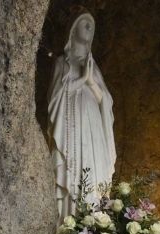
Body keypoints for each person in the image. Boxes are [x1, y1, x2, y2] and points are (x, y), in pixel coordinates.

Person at [47, 12, 115, 216]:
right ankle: (70, 223)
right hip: (71, 128)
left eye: (92, 25)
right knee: (73, 169)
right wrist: (82, 78)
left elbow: (106, 102)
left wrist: (91, 81)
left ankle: (94, 224)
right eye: (85, 22)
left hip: (94, 129)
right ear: (73, 28)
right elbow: (54, 100)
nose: (89, 27)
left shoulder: (94, 67)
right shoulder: (62, 63)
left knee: (94, 171)